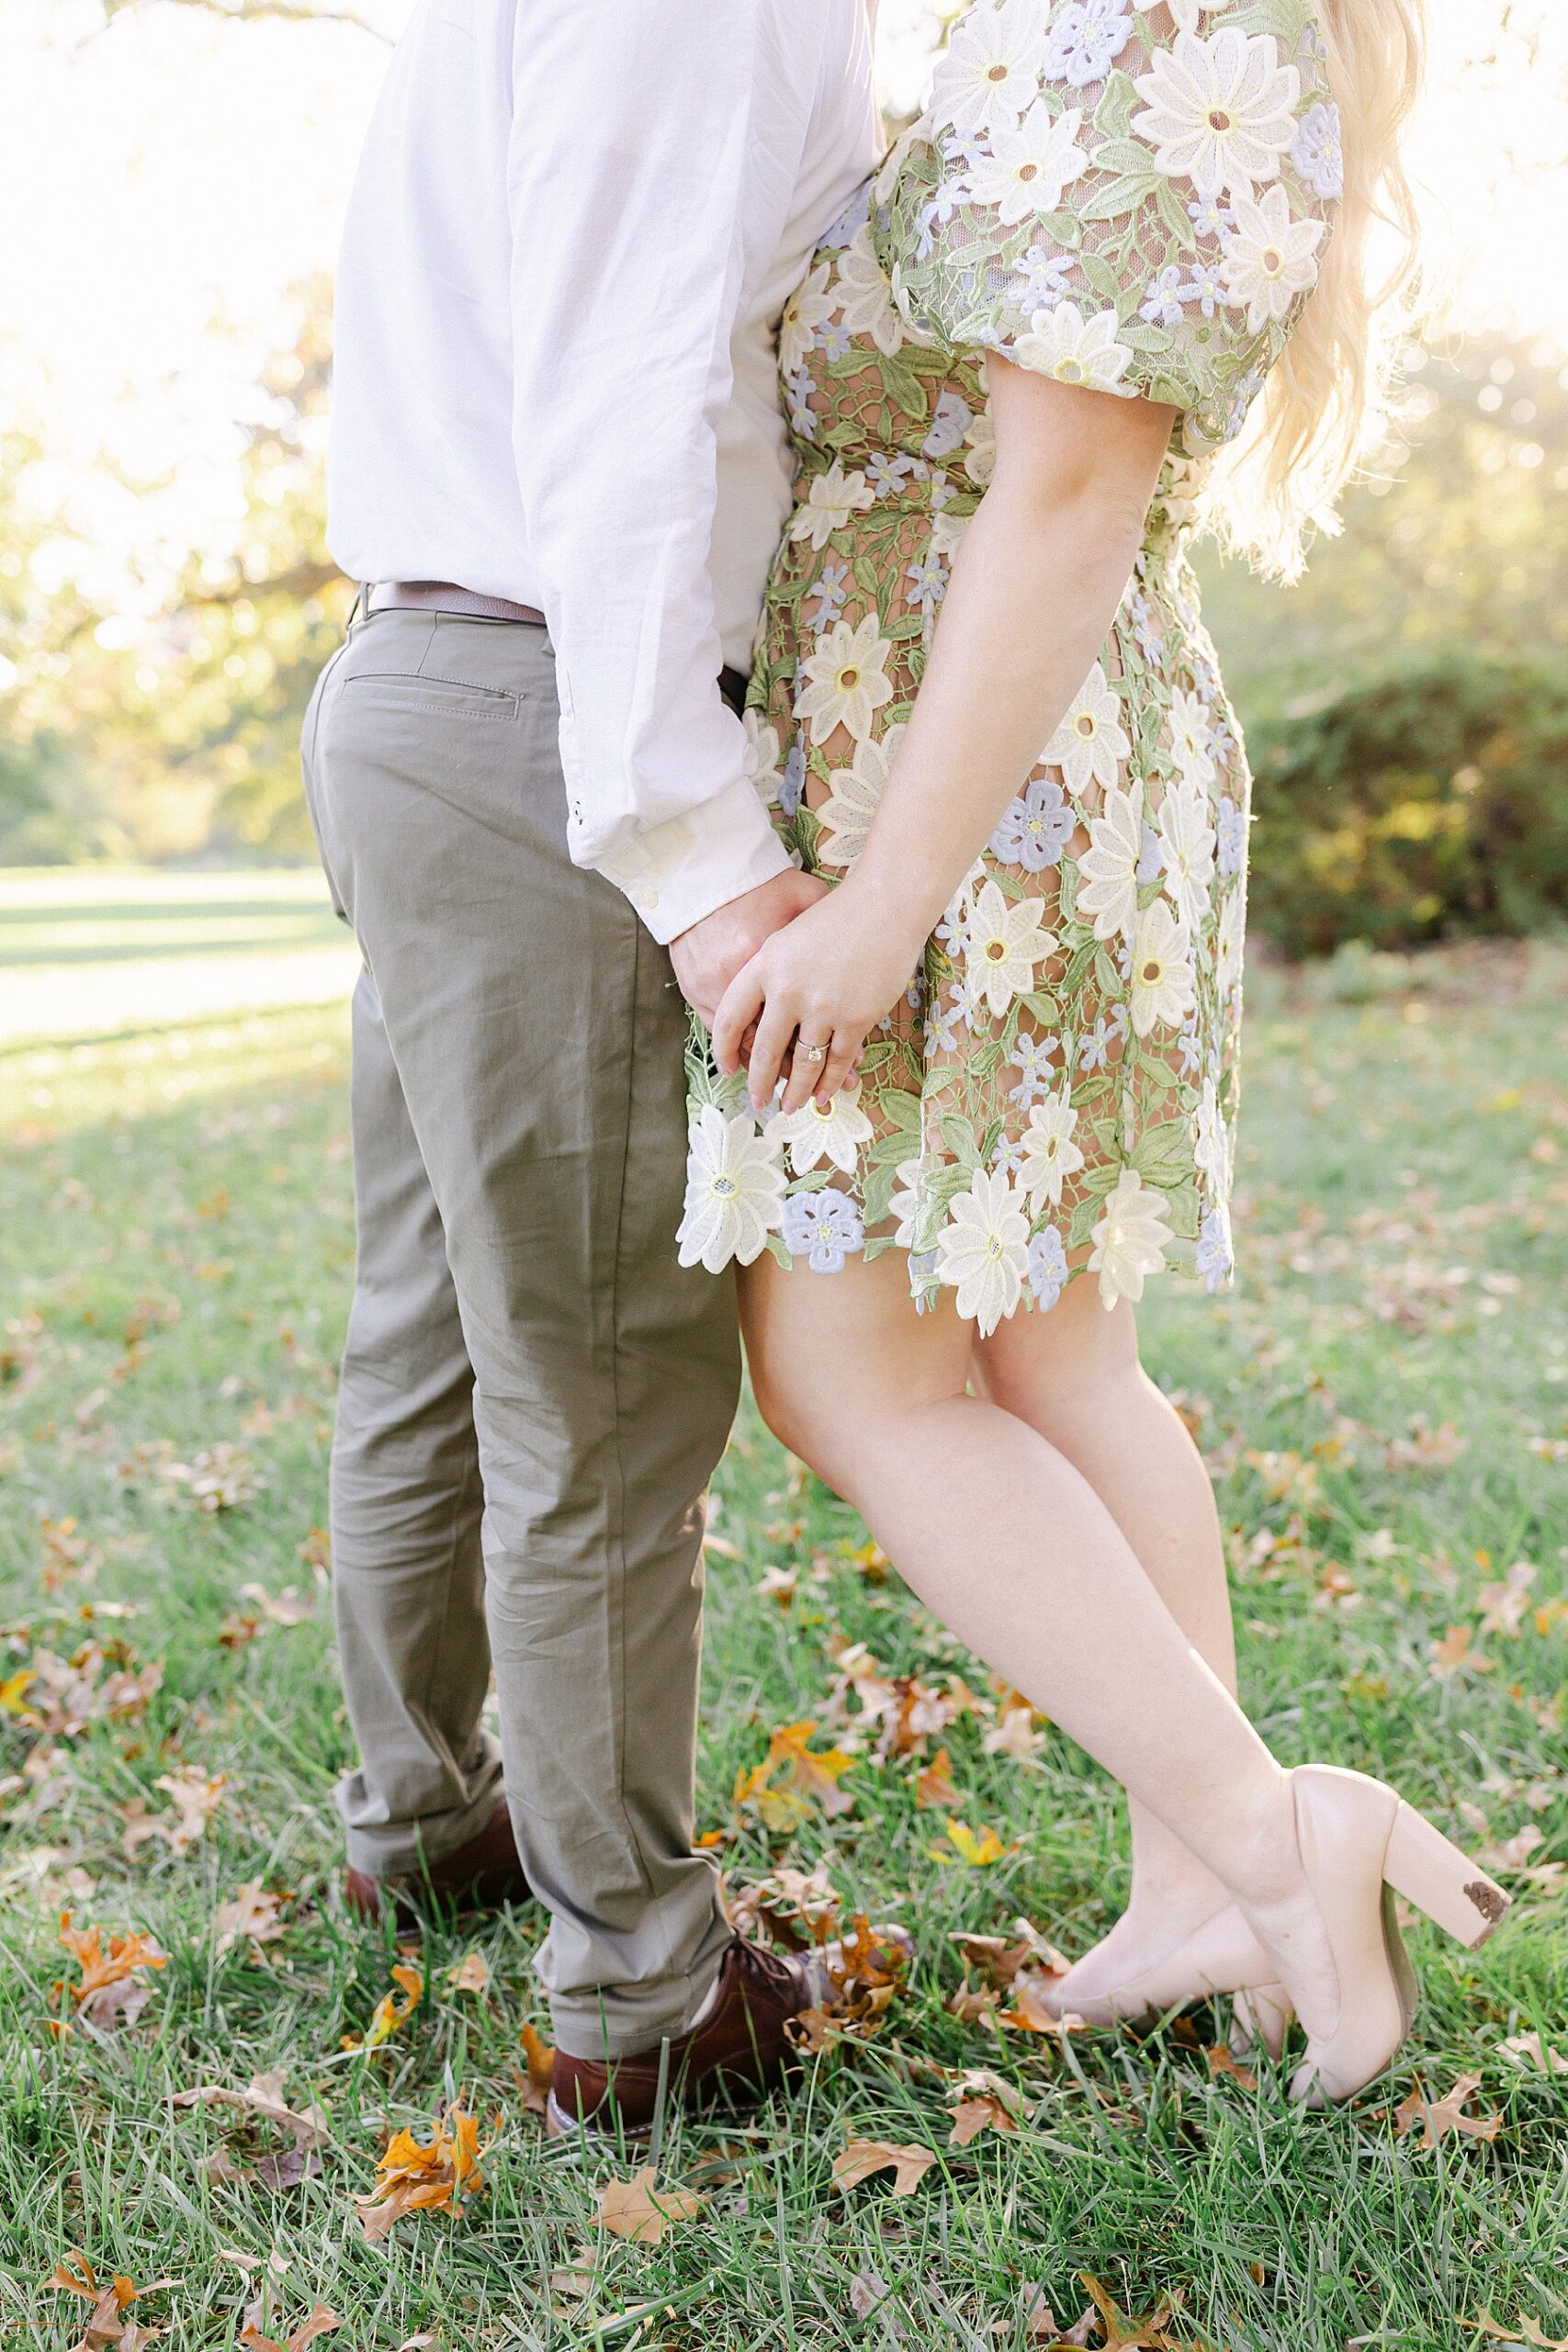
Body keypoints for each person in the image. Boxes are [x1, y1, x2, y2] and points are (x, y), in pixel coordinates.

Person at [682, 0, 1509, 2101]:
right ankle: (1203, 1892)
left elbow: (1065, 479)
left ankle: (1265, 1832)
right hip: (1026, 764)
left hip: (973, 786)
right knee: (1057, 1360)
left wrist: (878, 895)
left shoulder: (1131, 21)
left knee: (854, 1375)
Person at [301, 0, 893, 2136]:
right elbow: (632, 407)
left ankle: (417, 1813)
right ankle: (636, 1986)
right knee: (607, 1392)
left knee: (438, 1336)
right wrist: (694, 842)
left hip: (414, 683)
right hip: (553, 726)